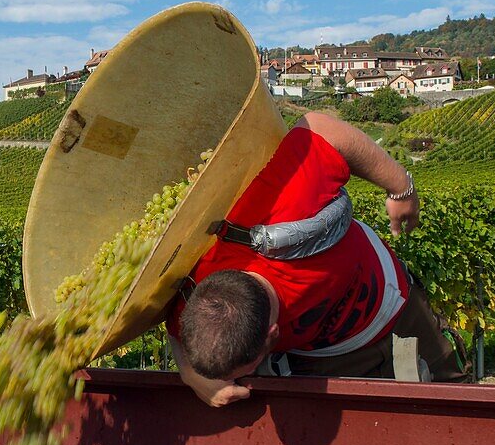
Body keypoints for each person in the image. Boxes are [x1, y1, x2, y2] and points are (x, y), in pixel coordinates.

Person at [166, 111, 472, 407]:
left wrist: (401, 189)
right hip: (324, 359)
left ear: (272, 337)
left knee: (454, 401)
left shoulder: (279, 206)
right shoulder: (198, 301)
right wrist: (192, 376)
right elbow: (174, 327)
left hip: (397, 308)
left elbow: (319, 126)